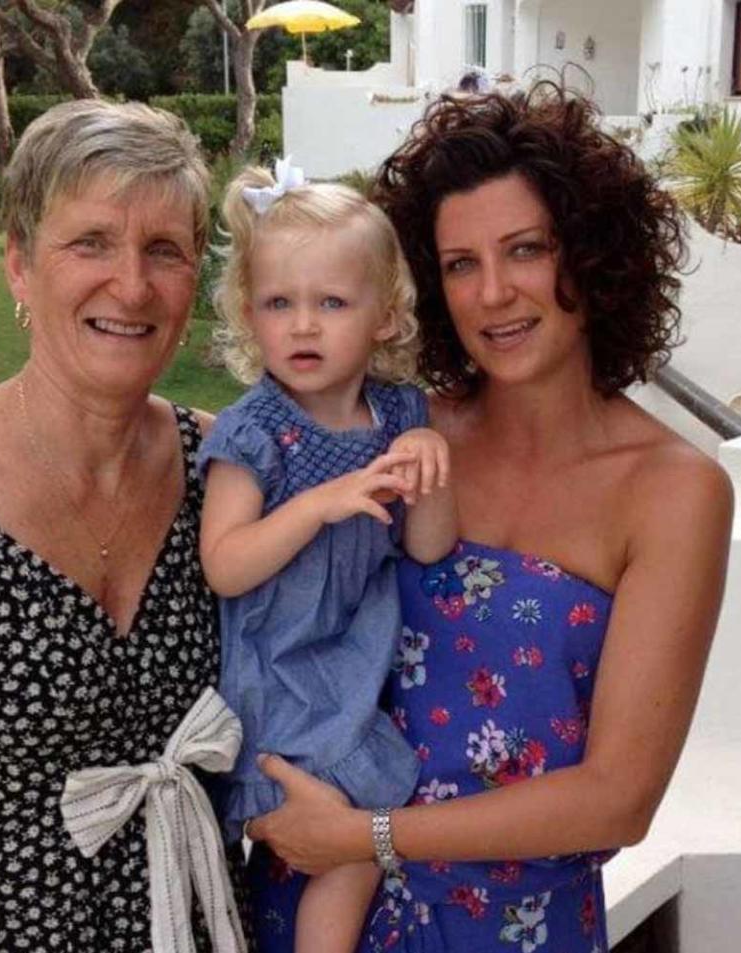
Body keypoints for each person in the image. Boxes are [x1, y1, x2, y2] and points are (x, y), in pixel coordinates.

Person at [245, 84, 734, 952]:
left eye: (526, 250)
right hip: (314, 903)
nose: (495, 293)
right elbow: (246, 471)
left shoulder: (673, 490)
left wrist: (368, 836)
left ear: (590, 253)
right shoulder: (396, 431)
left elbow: (621, 795)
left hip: (506, 929)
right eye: (461, 263)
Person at [0, 100, 249, 953]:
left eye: (165, 250)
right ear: (19, 267)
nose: (134, 284)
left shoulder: (224, 465)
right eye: (91, 242)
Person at [197, 160, 457, 953]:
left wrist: (427, 455)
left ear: (385, 315)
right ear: (250, 313)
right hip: (280, 677)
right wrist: (316, 503)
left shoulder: (399, 413)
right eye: (280, 304)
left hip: (348, 667)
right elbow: (226, 565)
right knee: (353, 828)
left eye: (332, 303)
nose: (303, 325)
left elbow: (428, 543)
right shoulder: (256, 433)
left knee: (348, 841)